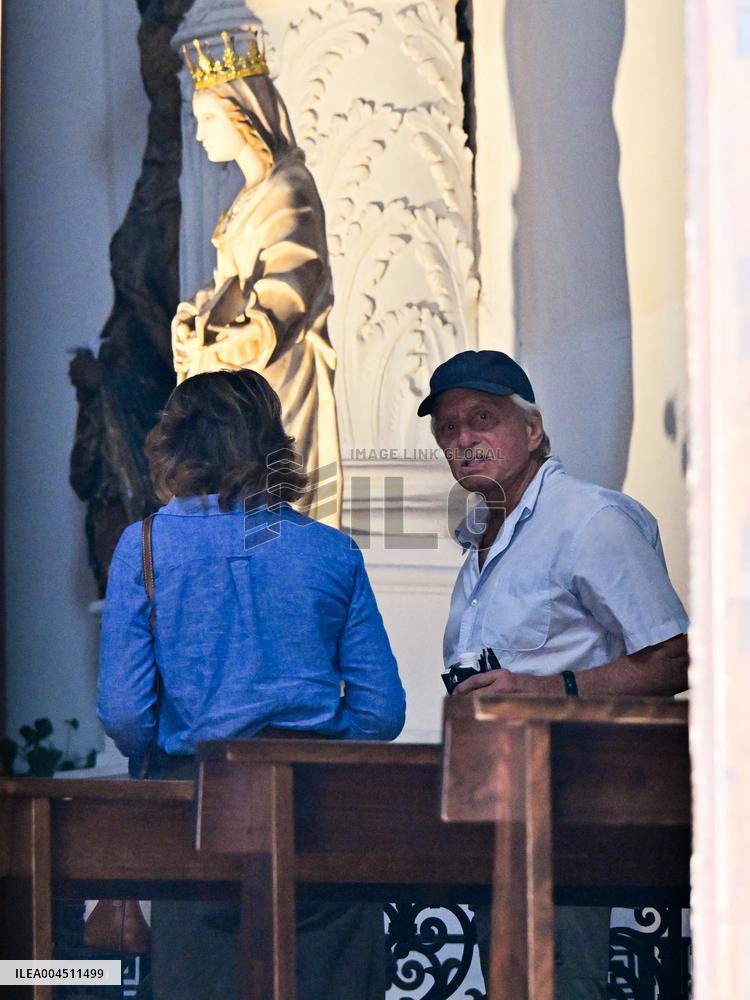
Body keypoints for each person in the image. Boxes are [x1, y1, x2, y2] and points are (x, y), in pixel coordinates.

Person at [98, 368, 405, 1000]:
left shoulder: (145, 546)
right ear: (272, 443)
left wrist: (181, 743)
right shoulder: (330, 550)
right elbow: (381, 713)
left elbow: (126, 711)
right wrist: (307, 739)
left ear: (176, 442)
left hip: (200, 809)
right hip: (321, 811)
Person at [418, 349, 689, 999]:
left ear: (532, 430)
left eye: (481, 419)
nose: (463, 440)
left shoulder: (590, 519)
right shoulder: (479, 540)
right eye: (448, 430)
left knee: (558, 981)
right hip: (496, 802)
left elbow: (676, 655)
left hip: (567, 805)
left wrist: (550, 691)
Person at [174, 31, 340, 522]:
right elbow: (228, 283)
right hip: (244, 378)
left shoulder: (289, 190)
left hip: (279, 374)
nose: (201, 133)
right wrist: (192, 321)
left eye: (208, 119)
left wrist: (221, 346)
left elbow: (286, 294)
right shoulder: (253, 194)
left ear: (242, 115)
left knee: (276, 503)